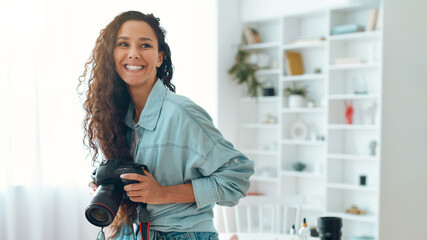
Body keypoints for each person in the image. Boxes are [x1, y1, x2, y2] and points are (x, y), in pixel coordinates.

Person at [78, 11, 254, 240]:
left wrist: (162, 193)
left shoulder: (181, 114)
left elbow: (237, 178)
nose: (133, 54)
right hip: (132, 233)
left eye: (145, 45)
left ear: (159, 58)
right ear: (112, 55)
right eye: (123, 44)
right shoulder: (117, 116)